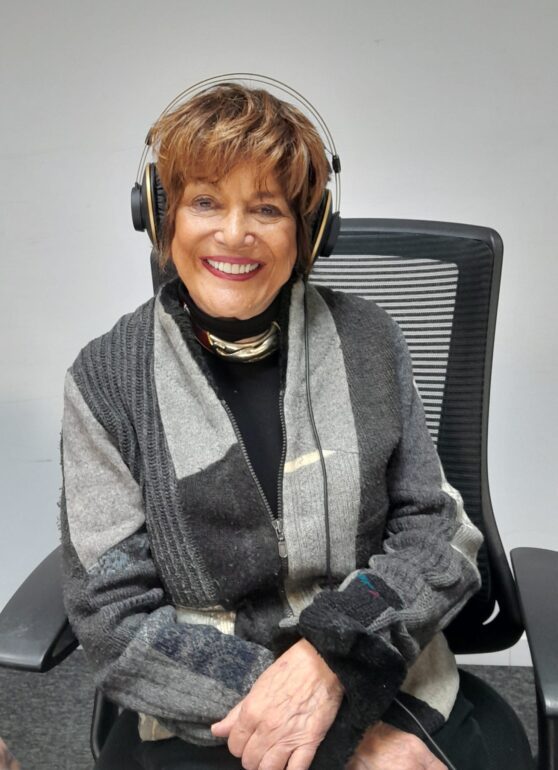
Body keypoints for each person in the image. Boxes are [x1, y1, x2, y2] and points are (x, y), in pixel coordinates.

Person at [60, 81, 486, 770]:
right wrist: (331, 729)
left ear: (309, 230)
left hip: (390, 671)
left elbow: (437, 531)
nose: (234, 234)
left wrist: (334, 663)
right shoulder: (106, 380)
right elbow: (113, 620)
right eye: (205, 202)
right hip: (204, 707)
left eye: (266, 208)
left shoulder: (370, 343)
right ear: (161, 217)